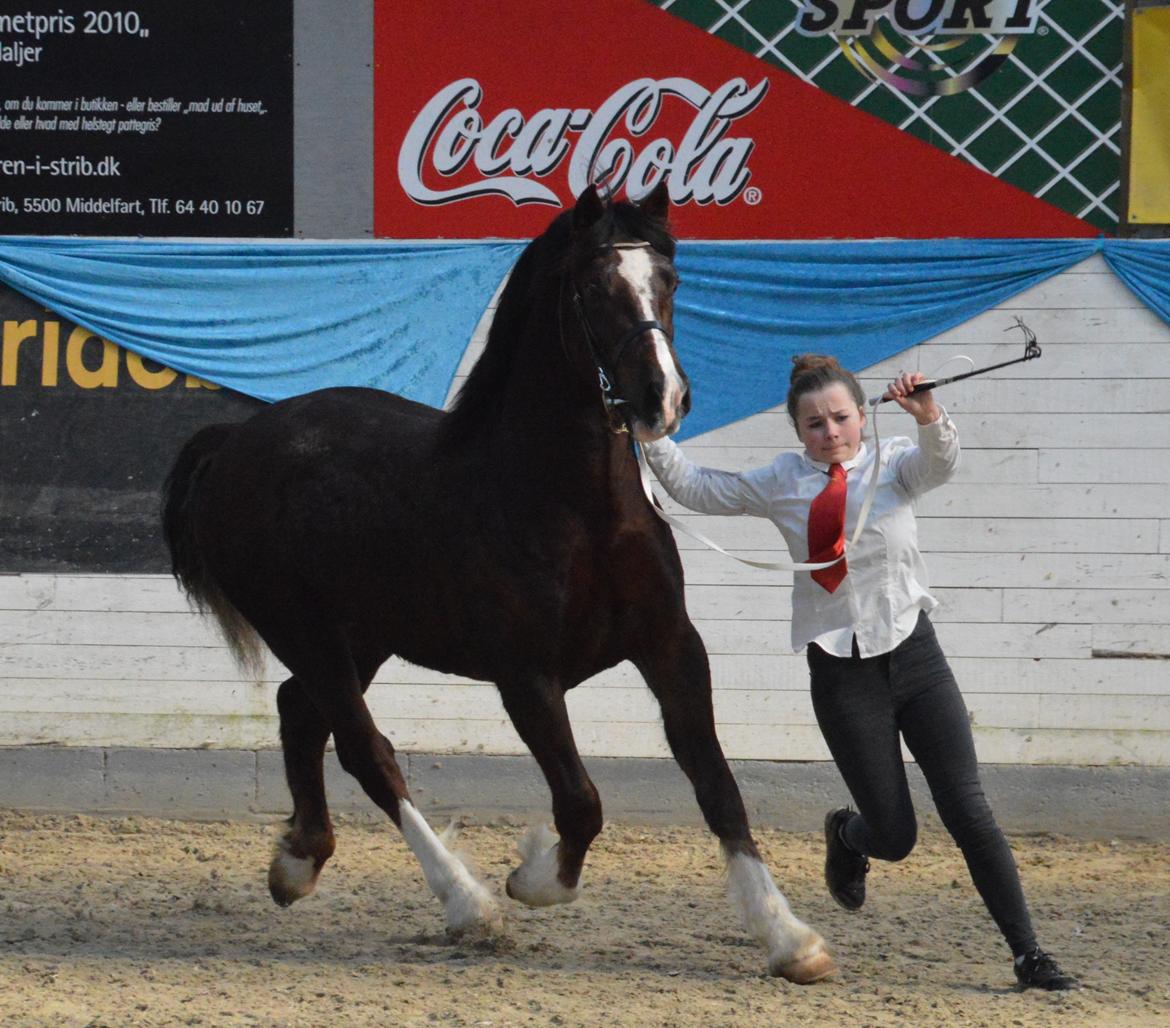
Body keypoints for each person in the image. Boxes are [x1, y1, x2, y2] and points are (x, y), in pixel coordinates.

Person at [641, 353, 1076, 991]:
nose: (831, 432)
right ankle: (848, 833)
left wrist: (929, 416)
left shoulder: (895, 462)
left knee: (968, 810)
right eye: (814, 424)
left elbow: (941, 464)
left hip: (915, 656)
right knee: (895, 837)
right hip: (843, 676)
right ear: (797, 431)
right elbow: (701, 489)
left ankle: (1028, 953)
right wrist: (653, 434)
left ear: (862, 418)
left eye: (841, 418)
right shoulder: (780, 481)